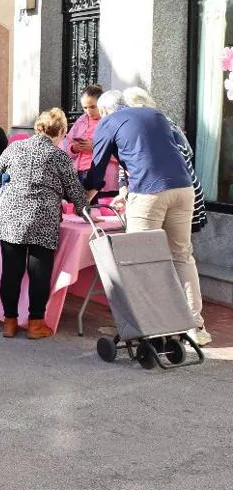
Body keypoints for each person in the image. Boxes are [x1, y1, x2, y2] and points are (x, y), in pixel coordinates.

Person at [84, 90, 211, 346]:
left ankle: (151, 329)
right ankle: (195, 327)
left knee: (140, 260)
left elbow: (96, 173)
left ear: (106, 110)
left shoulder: (109, 122)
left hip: (149, 192)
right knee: (182, 256)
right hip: (184, 189)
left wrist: (83, 201)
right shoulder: (155, 114)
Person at [0, 108, 88, 339]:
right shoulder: (59, 156)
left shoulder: (14, 147)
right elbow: (74, 191)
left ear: (37, 127)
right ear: (63, 131)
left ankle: (9, 322)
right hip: (41, 217)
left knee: (11, 272)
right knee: (39, 272)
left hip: (11, 216)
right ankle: (35, 324)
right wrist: (87, 213)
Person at [122, 87, 206, 234]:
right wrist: (123, 186)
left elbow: (182, 155)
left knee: (159, 244)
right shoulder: (159, 120)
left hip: (165, 190)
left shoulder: (149, 125)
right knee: (176, 246)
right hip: (181, 187)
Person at [61, 84, 118, 193]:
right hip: (78, 174)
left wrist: (96, 148)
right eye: (85, 108)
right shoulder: (81, 120)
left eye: (92, 107)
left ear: (102, 104)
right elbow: (66, 145)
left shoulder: (112, 121)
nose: (88, 111)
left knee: (100, 209)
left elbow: (123, 153)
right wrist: (74, 148)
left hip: (104, 178)